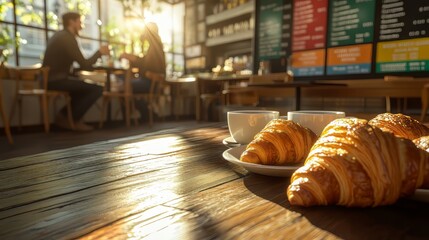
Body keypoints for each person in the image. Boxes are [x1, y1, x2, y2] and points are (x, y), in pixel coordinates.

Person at [42, 12, 110, 131]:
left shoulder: (60, 36)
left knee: (81, 89)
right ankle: (70, 119)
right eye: (80, 21)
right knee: (97, 89)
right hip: (56, 80)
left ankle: (65, 117)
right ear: (71, 22)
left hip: (50, 79)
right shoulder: (67, 38)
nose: (81, 25)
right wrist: (99, 52)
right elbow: (84, 64)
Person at [119, 22, 166, 121]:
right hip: (149, 82)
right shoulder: (156, 46)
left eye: (145, 31)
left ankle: (140, 116)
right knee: (124, 83)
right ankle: (147, 114)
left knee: (125, 86)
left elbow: (144, 64)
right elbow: (144, 62)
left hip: (150, 83)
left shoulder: (155, 47)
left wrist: (143, 71)